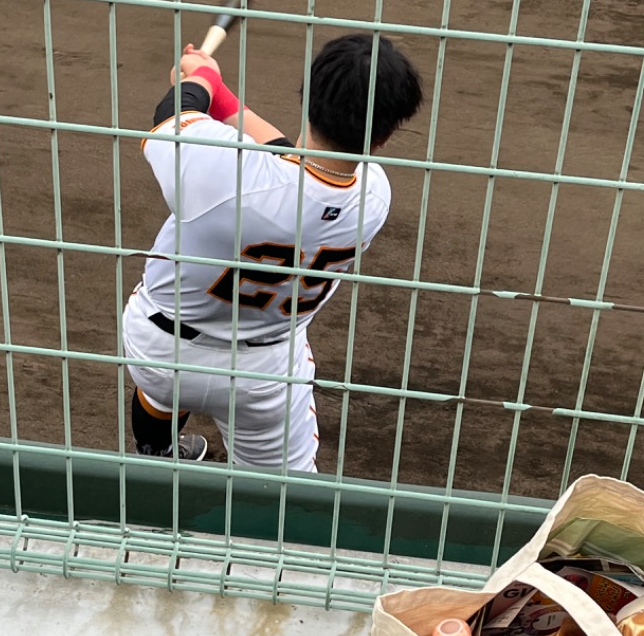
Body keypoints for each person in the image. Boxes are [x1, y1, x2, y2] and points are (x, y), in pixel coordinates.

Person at [122, 32, 423, 471]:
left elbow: (170, 116)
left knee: (160, 385)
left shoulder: (226, 173)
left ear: (308, 97)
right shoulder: (374, 197)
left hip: (160, 351)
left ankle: (158, 456)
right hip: (263, 376)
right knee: (281, 501)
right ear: (382, 138)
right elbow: (292, 164)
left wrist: (200, 80)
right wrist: (221, 95)